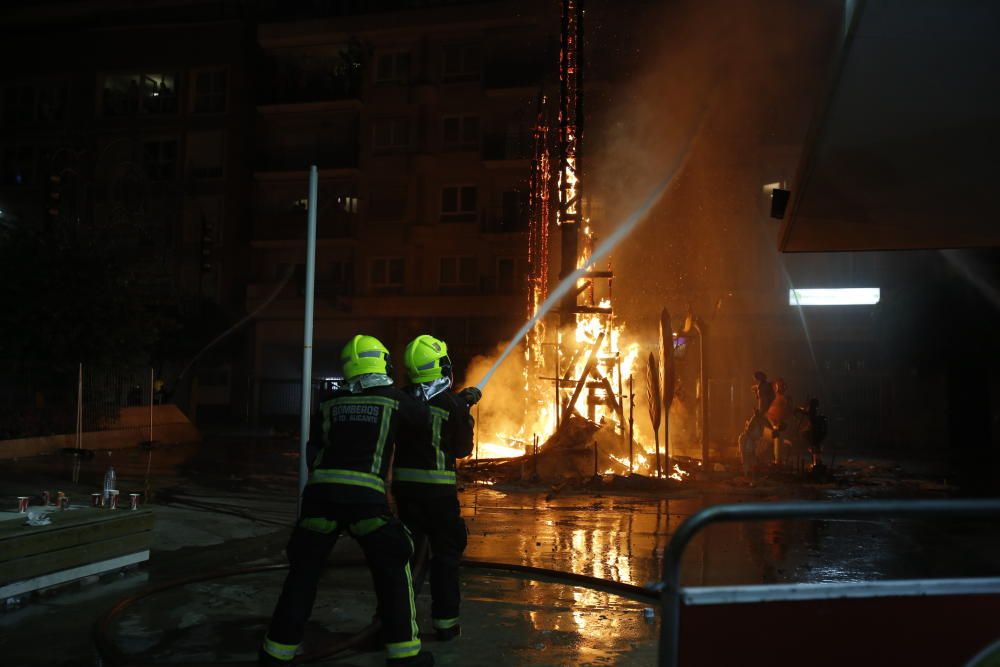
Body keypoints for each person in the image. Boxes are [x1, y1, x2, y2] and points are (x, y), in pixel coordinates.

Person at [260, 335, 433, 666]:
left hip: (319, 498)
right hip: (365, 502)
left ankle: (276, 652)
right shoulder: (394, 400)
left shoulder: (329, 402)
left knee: (303, 575)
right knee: (395, 565)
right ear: (382, 363)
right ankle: (404, 655)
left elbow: (314, 449)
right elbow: (424, 419)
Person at [393, 335, 481, 642]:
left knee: (406, 556)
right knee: (445, 556)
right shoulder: (451, 405)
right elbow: (461, 450)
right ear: (442, 366)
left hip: (405, 495)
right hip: (439, 497)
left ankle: (398, 621)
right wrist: (465, 414)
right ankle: (445, 623)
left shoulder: (401, 400)